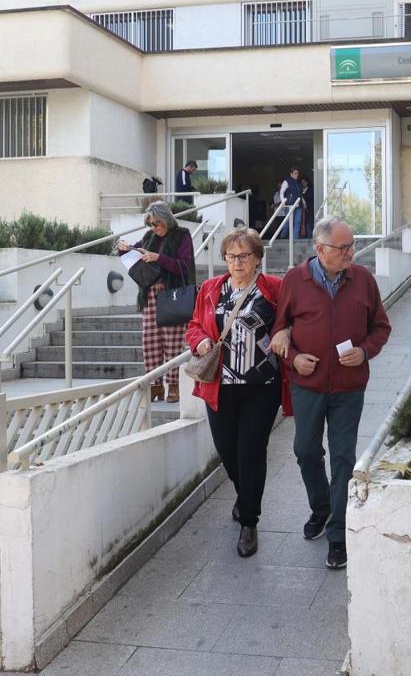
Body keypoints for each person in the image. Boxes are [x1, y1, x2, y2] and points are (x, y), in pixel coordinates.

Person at [270, 217, 391, 570]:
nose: (351, 252)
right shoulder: (295, 280)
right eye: (344, 248)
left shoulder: (363, 280)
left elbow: (381, 327)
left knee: (342, 458)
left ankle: (338, 533)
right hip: (306, 385)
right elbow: (280, 329)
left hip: (349, 387)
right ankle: (321, 509)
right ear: (321, 251)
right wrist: (293, 358)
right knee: (305, 450)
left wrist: (365, 350)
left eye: (352, 245)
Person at [186, 228, 292, 558]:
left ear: (258, 258)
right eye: (231, 256)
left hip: (262, 387)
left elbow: (294, 318)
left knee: (251, 451)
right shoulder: (210, 289)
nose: (237, 262)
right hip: (220, 384)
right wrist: (200, 340)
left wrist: (286, 330)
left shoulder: (274, 288)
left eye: (244, 256)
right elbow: (193, 325)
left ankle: (249, 521)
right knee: (227, 449)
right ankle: (243, 492)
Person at [115, 201, 194, 403]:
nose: (154, 228)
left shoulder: (181, 235)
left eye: (157, 223)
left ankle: (173, 386)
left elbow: (185, 266)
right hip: (149, 295)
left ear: (166, 219)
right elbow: (137, 251)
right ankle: (155, 386)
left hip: (172, 296)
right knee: (150, 343)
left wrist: (158, 258)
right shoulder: (149, 237)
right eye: (150, 224)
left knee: (172, 344)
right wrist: (124, 249)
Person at [276, 166, 305, 239]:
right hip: (290, 205)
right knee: (288, 221)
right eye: (295, 173)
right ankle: (283, 235)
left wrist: (304, 202)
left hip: (299, 205)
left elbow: (301, 195)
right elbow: (282, 192)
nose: (297, 175)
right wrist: (283, 202)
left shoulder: (299, 183)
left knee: (297, 222)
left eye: (297, 173)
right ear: (291, 174)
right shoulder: (286, 181)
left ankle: (295, 238)